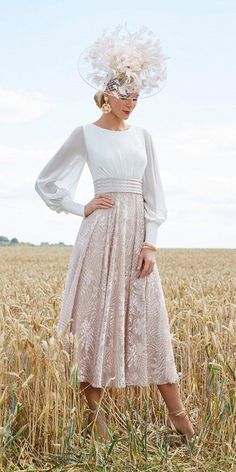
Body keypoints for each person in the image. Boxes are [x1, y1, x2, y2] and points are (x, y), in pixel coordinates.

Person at [34, 24, 195, 443]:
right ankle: (96, 425)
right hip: (100, 235)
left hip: (135, 237)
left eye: (137, 98)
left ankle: (180, 420)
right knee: (93, 322)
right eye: (125, 96)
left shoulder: (144, 137)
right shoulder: (84, 134)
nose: (131, 105)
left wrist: (151, 241)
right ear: (106, 94)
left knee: (152, 322)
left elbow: (154, 192)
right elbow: (47, 181)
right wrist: (78, 206)